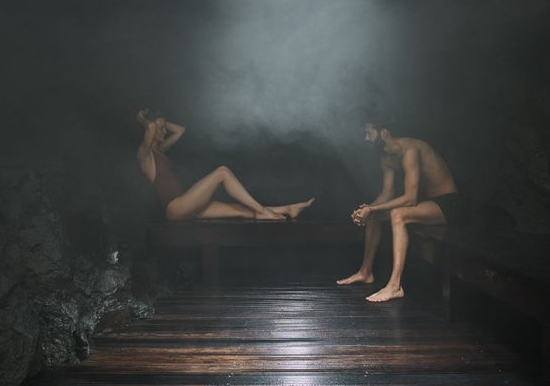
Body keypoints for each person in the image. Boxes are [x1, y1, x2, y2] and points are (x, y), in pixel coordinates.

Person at [337, 121, 462, 302]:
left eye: (369, 134)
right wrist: (366, 209)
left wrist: (372, 208)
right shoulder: (386, 158)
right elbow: (386, 194)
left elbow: (410, 198)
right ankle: (365, 272)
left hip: (449, 203)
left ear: (384, 133)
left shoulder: (410, 150)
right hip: (428, 203)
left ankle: (395, 286)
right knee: (374, 215)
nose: (366, 139)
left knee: (398, 215)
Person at [135, 108, 315, 221]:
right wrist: (143, 119)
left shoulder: (160, 152)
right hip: (176, 208)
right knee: (223, 172)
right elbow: (151, 128)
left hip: (186, 205)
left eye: (164, 127)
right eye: (160, 128)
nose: (164, 131)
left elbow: (180, 130)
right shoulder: (145, 156)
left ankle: (288, 209)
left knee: (239, 210)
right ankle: (262, 211)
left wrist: (161, 122)